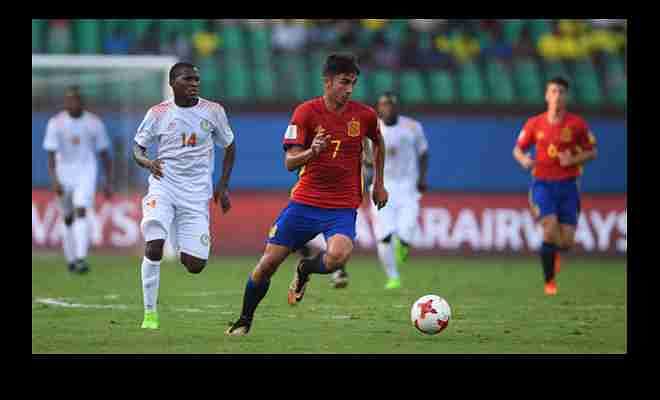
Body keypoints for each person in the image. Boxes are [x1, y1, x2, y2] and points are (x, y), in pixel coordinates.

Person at [225, 53, 388, 336]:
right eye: (344, 82)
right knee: (268, 265)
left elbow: (378, 141)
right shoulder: (305, 113)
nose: (349, 89)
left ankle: (305, 269)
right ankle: (244, 319)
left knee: (339, 256)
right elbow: (289, 161)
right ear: (327, 82)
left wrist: (380, 184)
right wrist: (312, 151)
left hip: (342, 207)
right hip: (304, 203)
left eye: (353, 83)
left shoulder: (364, 115)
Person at [132, 62, 236, 329]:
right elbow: (137, 148)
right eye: (188, 79)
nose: (194, 84)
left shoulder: (213, 111)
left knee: (195, 265)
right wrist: (148, 163)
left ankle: (182, 240)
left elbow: (230, 145)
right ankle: (149, 314)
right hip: (163, 185)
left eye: (197, 79)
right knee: (154, 245)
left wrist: (222, 186)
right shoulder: (158, 113)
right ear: (172, 83)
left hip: (196, 194)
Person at [513, 77, 598, 295]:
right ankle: (549, 282)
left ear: (565, 96)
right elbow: (518, 149)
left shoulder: (576, 124)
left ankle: (555, 254)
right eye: (553, 91)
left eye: (561, 91)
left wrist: (575, 159)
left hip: (568, 186)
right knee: (549, 229)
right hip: (542, 184)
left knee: (567, 242)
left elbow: (592, 151)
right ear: (546, 95)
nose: (557, 95)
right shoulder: (535, 123)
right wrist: (524, 160)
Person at [43, 85, 113, 274]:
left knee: (81, 210)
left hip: (86, 171)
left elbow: (105, 153)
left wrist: (107, 180)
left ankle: (81, 258)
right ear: (65, 103)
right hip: (63, 171)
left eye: (75, 100)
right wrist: (55, 179)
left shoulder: (94, 123)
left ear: (82, 102)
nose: (72, 103)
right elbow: (50, 155)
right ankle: (71, 259)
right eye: (69, 100)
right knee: (67, 217)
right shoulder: (55, 123)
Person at [367, 92, 429, 289]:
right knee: (383, 236)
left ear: (397, 107)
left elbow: (423, 153)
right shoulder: (372, 129)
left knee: (407, 229)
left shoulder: (412, 127)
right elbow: (366, 159)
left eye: (391, 104)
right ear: (378, 108)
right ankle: (393, 277)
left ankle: (404, 243)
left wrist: (422, 178)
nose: (388, 108)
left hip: (408, 186)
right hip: (382, 186)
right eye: (384, 104)